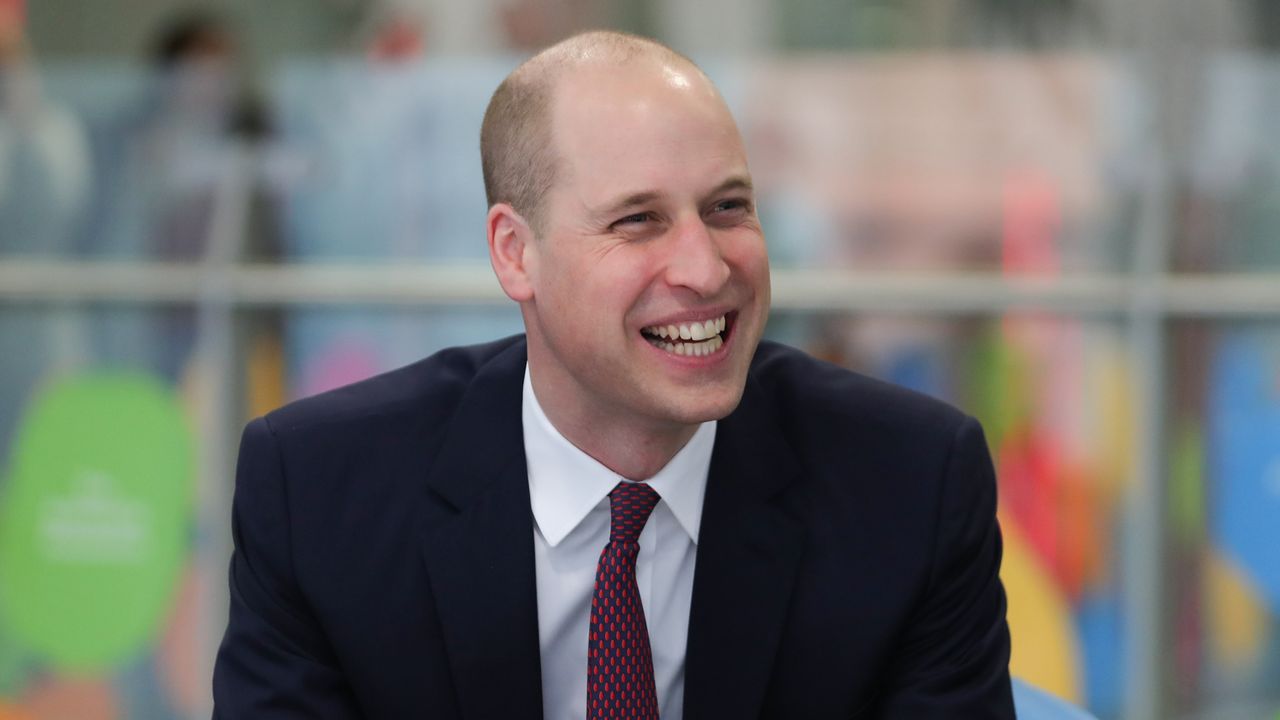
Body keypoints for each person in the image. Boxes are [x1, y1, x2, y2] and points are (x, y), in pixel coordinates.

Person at [213, 30, 1014, 719]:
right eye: (639, 220)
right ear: (514, 253)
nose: (705, 268)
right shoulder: (319, 494)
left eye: (728, 207)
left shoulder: (910, 486)